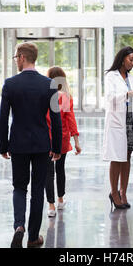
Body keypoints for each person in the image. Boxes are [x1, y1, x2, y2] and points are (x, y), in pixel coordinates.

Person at [0, 42, 62, 248]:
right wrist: (57, 146)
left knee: (19, 186)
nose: (16, 61)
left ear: (23, 57)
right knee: (37, 190)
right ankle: (33, 237)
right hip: (42, 144)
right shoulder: (49, 84)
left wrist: (3, 145)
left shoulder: (10, 84)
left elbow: (2, 118)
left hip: (18, 144)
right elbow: (56, 118)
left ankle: (19, 226)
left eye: (16, 57)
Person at [103, 46, 133, 210]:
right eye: (130, 60)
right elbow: (110, 99)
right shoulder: (111, 76)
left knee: (127, 156)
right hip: (116, 121)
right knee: (116, 157)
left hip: (129, 120)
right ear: (122, 58)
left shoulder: (131, 78)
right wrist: (129, 95)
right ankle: (113, 192)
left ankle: (123, 192)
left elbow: (131, 98)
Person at [45, 66, 81, 218]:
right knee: (60, 169)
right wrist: (76, 141)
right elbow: (70, 119)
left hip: (47, 138)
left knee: (48, 172)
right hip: (63, 138)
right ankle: (60, 199)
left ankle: (51, 205)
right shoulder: (65, 97)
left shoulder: (44, 95)